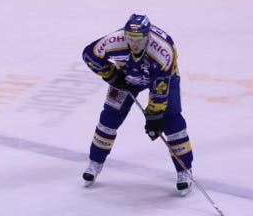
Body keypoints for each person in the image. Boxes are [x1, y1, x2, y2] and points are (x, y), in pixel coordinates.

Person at [82, 13, 194, 195]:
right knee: (109, 117)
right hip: (127, 77)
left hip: (163, 78)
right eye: (131, 39)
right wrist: (111, 75)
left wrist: (154, 116)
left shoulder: (162, 52)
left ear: (148, 37)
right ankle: (95, 162)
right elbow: (89, 55)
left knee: (171, 121)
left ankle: (184, 171)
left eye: (139, 40)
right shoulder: (115, 41)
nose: (134, 44)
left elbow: (160, 91)